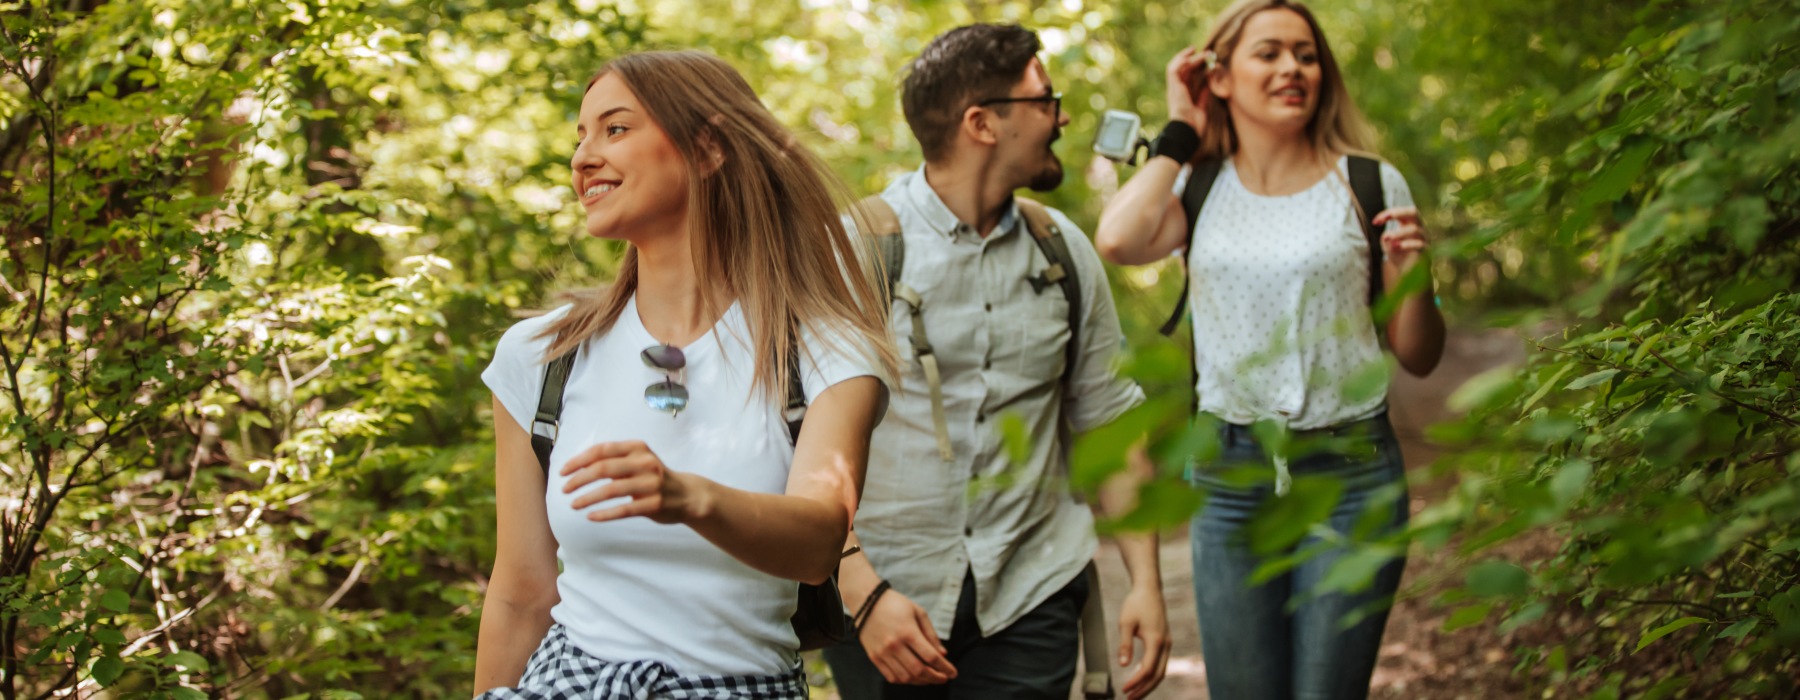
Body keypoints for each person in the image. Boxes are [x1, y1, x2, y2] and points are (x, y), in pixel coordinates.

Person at [472, 50, 895, 699]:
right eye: (580, 136)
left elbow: (817, 544)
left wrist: (691, 499)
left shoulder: (824, 350)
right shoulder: (541, 355)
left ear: (708, 149)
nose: (583, 157)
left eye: (615, 129)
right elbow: (522, 593)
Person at [1093, 1, 1447, 698]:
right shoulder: (1198, 186)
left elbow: (1420, 353)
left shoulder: (1370, 181)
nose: (1293, 68)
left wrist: (1416, 280)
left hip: (1351, 475)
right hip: (1230, 481)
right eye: (1270, 53)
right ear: (1220, 77)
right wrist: (1177, 131)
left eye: (1307, 55)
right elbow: (1118, 239)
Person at [823, 23, 1172, 700]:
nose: (1062, 116)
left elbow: (1108, 423)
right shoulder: (856, 250)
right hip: (883, 605)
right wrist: (860, 592)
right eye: (1046, 99)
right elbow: (792, 432)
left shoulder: (1062, 250)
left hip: (1031, 592)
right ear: (981, 122)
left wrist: (1147, 585)